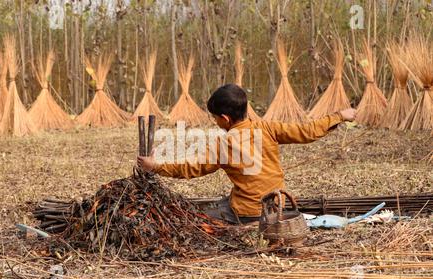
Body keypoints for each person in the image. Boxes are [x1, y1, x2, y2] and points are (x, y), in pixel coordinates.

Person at [138, 84, 357, 224]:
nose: (215, 122)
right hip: (276, 205)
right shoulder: (268, 128)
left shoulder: (226, 144)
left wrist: (155, 166)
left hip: (249, 212)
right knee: (225, 201)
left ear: (225, 118)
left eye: (215, 118)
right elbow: (308, 131)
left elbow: (192, 168)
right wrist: (340, 115)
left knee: (193, 217)